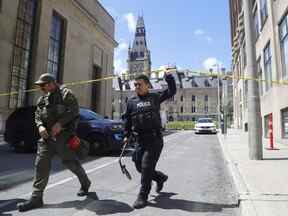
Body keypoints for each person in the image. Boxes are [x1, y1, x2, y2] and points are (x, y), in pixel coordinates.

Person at [17, 73, 91, 212]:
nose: (41, 88)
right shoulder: (43, 99)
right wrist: (40, 126)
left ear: (51, 83)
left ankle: (85, 183)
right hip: (47, 138)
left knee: (70, 163)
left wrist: (60, 124)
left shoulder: (66, 94)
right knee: (41, 164)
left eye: (43, 85)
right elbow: (37, 114)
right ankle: (36, 197)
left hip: (64, 137)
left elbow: (74, 111)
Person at [123, 71, 176, 209]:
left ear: (147, 85)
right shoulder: (131, 102)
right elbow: (127, 120)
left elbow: (171, 91)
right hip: (140, 141)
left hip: (154, 140)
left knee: (146, 166)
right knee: (139, 167)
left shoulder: (154, 97)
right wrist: (126, 134)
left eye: (139, 84)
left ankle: (143, 195)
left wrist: (169, 78)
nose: (136, 87)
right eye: (135, 85)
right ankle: (159, 178)